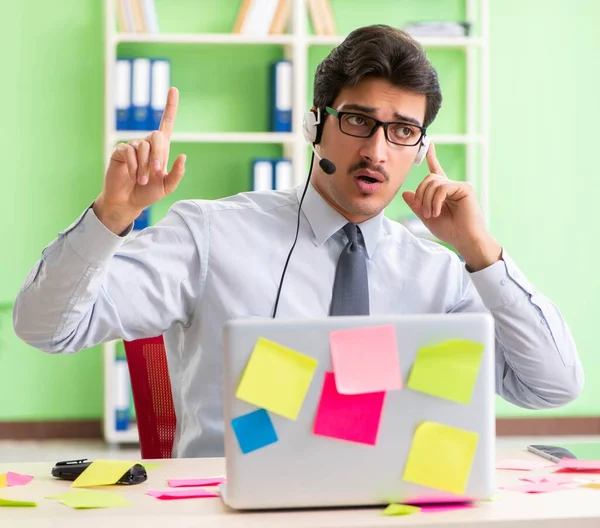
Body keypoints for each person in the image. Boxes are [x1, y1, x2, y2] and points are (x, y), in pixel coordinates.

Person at [13, 25, 583, 458]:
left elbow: (552, 386)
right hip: (231, 510)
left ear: (419, 148)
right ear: (316, 125)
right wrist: (111, 217)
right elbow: (45, 327)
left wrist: (482, 252)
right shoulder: (211, 235)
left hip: (386, 508)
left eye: (402, 131)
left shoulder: (439, 273)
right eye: (359, 121)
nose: (377, 152)